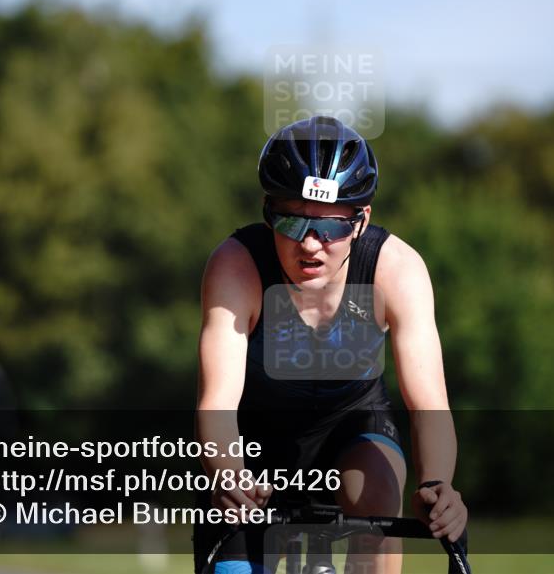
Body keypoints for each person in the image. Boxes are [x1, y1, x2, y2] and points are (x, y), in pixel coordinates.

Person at [194, 116, 467, 574]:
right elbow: (217, 401)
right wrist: (227, 472)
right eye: (293, 222)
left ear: (362, 222)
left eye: (333, 228)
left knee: (378, 497)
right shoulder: (236, 266)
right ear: (268, 214)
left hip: (354, 428)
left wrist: (439, 485)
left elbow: (429, 404)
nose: (312, 246)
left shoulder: (396, 270)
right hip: (255, 442)